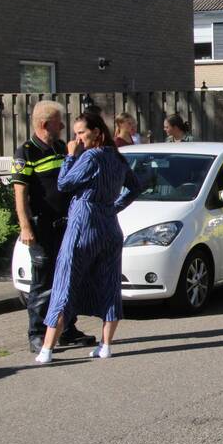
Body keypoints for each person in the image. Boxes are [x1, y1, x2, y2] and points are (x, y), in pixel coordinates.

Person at [34, 112, 142, 364]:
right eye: (75, 134)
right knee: (110, 284)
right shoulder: (116, 157)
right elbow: (135, 187)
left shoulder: (91, 156)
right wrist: (112, 207)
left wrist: (70, 156)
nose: (77, 138)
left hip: (83, 223)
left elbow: (64, 183)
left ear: (97, 132)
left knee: (65, 282)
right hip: (110, 227)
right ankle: (105, 346)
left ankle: (47, 350)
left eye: (81, 132)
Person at [11, 101, 97, 353]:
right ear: (45, 124)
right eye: (59, 122)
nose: (62, 127)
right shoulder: (26, 152)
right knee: (43, 282)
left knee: (68, 277)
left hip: (66, 224)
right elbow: (20, 194)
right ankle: (38, 334)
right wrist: (25, 226)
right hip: (42, 226)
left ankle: (66, 329)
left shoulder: (61, 148)